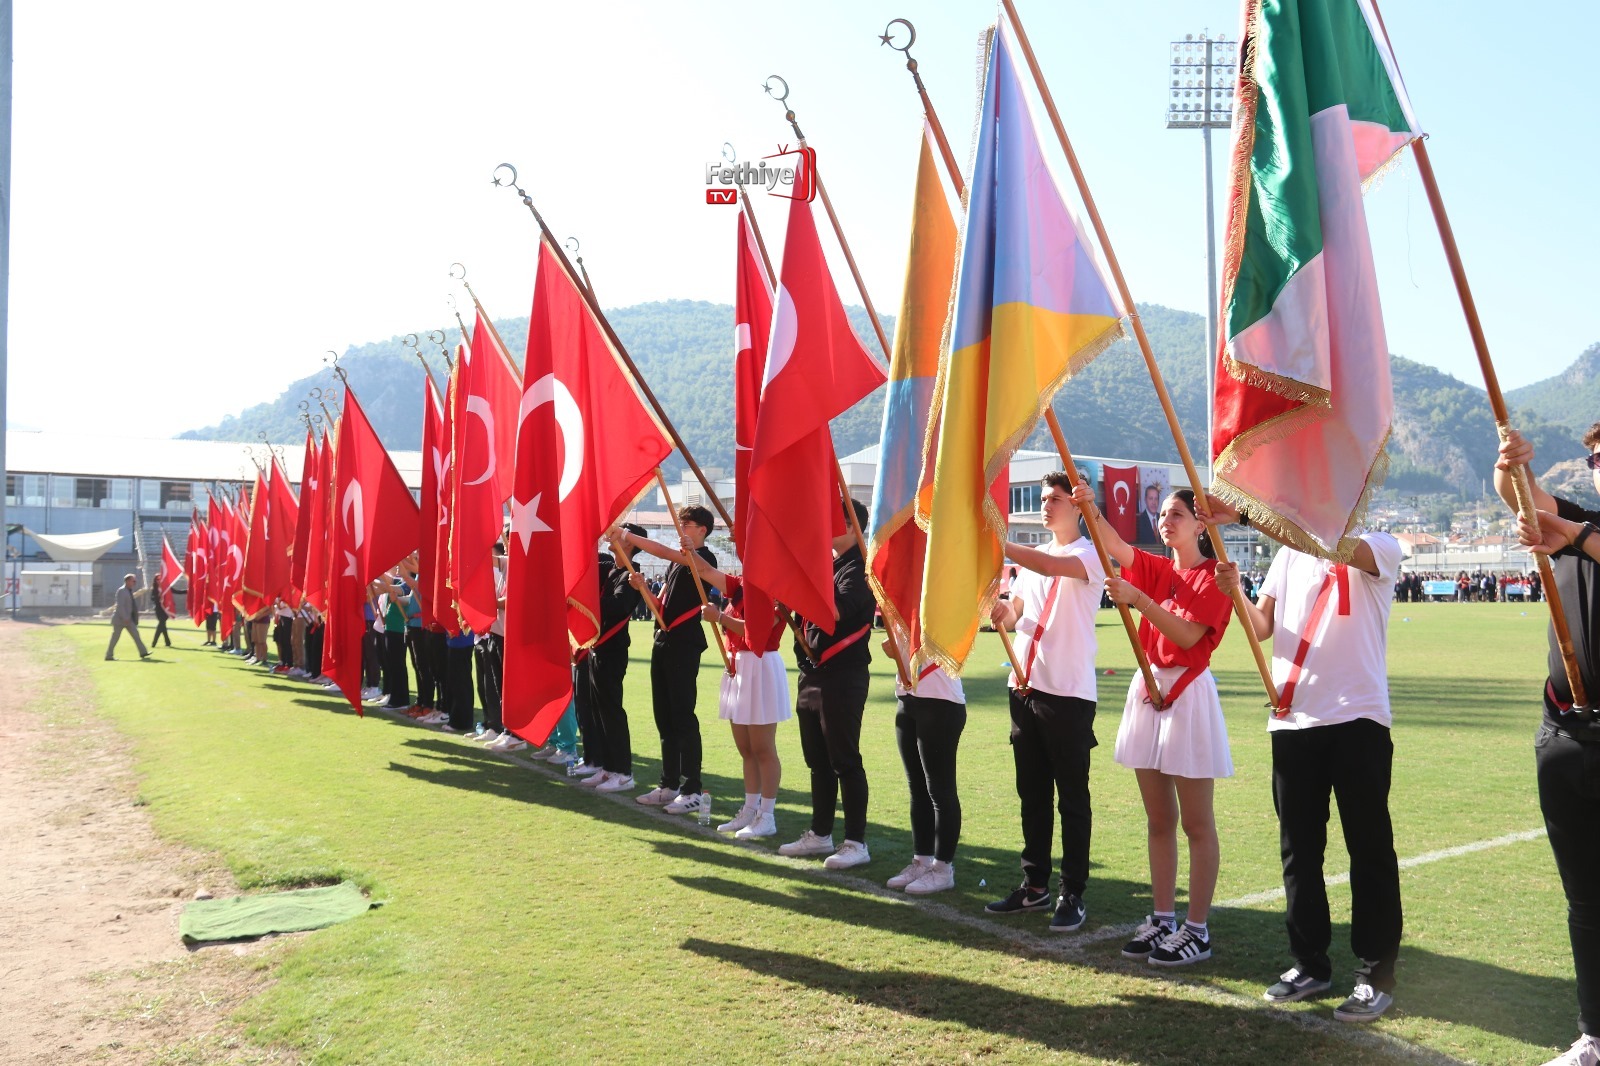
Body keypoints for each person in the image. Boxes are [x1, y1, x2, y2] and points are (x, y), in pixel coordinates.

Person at [1210, 499, 1405, 1023]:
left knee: (1368, 849)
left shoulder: (1380, 545)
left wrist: (1249, 515)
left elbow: (1329, 543)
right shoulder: (1287, 556)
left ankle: (1375, 973)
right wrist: (1236, 594)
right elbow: (1263, 626)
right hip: (1294, 720)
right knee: (1300, 850)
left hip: (1358, 719)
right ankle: (1309, 963)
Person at [1079, 483, 1233, 966]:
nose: (1167, 521)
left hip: (1188, 695)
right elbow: (1114, 544)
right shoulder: (1158, 567)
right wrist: (1089, 503)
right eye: (1163, 514)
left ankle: (1197, 929)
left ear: (1200, 523)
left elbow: (1188, 636)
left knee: (1196, 822)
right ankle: (1163, 918)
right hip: (1149, 688)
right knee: (1159, 820)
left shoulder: (1217, 577)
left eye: (1178, 514)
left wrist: (1139, 601)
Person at [1498, 427, 1600, 1066]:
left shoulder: (1583, 530)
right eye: (1597, 456)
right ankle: (1594, 1033)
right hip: (1565, 732)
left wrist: (1579, 539)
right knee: (1586, 900)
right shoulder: (1580, 518)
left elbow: (1567, 532)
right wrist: (1510, 465)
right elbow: (1522, 499)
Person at [984, 472, 1104, 927]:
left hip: (1068, 694)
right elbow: (1018, 610)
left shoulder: (1090, 555)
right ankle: (1034, 885)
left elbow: (1053, 569)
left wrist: (999, 545)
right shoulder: (1034, 561)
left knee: (1071, 798)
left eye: (1055, 498)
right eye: (1042, 498)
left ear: (1077, 506)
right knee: (1031, 794)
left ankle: (1072, 892)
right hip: (1024, 687)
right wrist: (1005, 610)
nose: (1046, 505)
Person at [778, 497, 876, 870]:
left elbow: (834, 610)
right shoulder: (833, 565)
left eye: (833, 519)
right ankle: (820, 834)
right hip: (814, 673)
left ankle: (856, 842)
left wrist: (805, 572)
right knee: (817, 761)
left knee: (845, 761)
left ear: (852, 526)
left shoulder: (859, 567)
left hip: (843, 675)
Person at [620, 508, 718, 815]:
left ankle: (692, 789)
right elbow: (662, 606)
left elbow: (664, 551)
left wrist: (627, 536)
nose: (682, 529)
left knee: (682, 716)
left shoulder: (705, 559)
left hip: (683, 644)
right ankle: (669, 784)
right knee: (664, 717)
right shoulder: (679, 564)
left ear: (702, 530)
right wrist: (643, 590)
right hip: (663, 641)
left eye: (686, 524)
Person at [688, 547, 788, 839]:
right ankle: (749, 808)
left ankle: (766, 815)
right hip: (738, 665)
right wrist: (687, 548)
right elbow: (704, 570)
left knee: (762, 748)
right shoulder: (741, 584)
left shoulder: (779, 588)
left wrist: (720, 618)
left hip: (760, 665)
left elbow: (757, 630)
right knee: (745, 748)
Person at [886, 662, 966, 895]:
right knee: (917, 788)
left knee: (940, 791)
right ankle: (921, 861)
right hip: (907, 696)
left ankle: (942, 869)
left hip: (940, 699)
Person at [105, 574, 151, 661]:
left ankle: (143, 652)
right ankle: (109, 655)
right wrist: (125, 617)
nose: (134, 583)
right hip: (120, 619)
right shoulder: (122, 591)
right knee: (115, 638)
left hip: (128, 619)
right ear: (127, 581)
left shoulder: (128, 591)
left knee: (136, 635)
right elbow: (120, 606)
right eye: (133, 581)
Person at [148, 578, 172, 647]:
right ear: (155, 580)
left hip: (165, 610)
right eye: (157, 579)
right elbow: (152, 598)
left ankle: (154, 643)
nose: (159, 580)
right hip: (158, 610)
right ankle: (167, 642)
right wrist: (158, 596)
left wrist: (188, 590)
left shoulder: (165, 587)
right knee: (162, 626)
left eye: (160, 579)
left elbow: (175, 591)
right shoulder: (154, 589)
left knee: (161, 626)